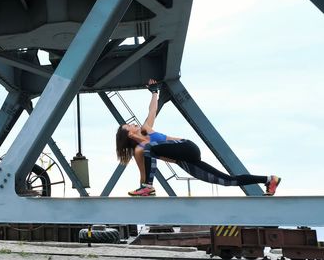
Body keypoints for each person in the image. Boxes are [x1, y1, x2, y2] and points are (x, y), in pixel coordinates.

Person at [115, 79, 281, 197]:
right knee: (226, 180)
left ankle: (147, 188)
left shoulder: (146, 130)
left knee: (145, 149)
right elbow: (144, 171)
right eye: (129, 126)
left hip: (186, 147)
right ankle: (269, 180)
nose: (133, 124)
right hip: (186, 161)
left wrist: (154, 92)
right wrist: (143, 183)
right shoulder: (140, 151)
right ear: (129, 134)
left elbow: (152, 110)